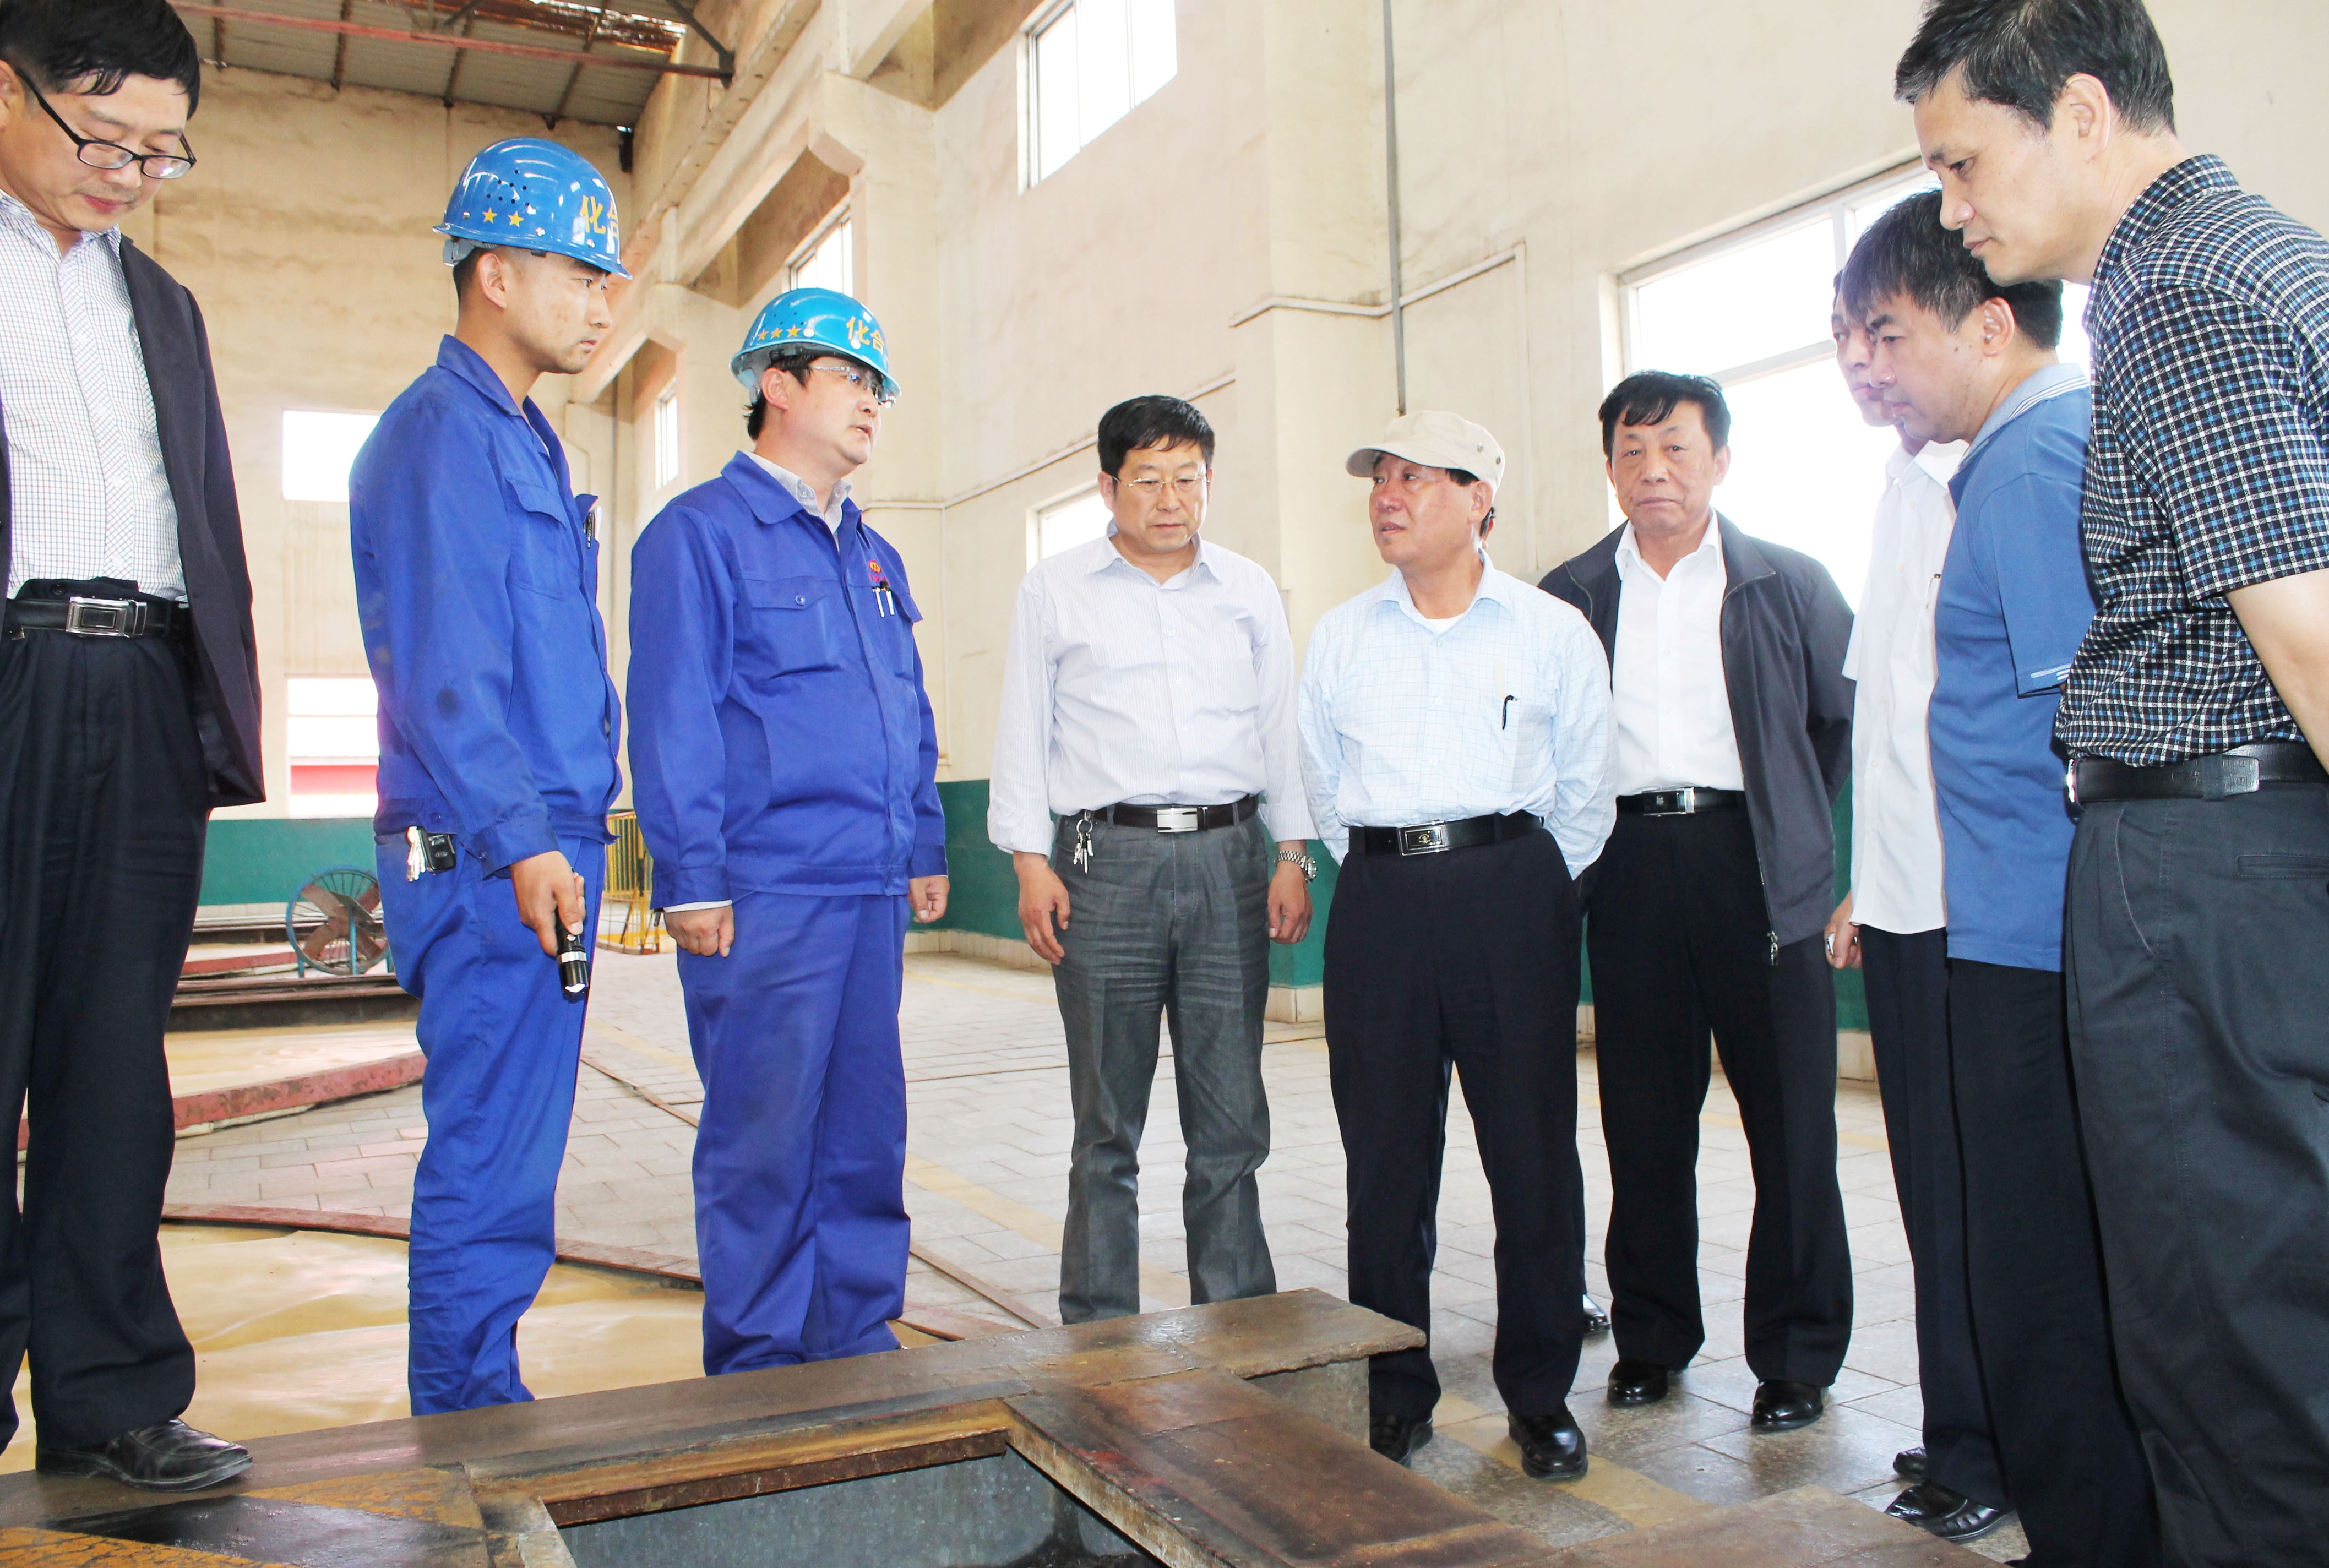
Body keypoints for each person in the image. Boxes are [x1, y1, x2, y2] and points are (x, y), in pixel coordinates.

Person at [1898, 4, 2329, 1560]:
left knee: (2230, 1349)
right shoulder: (2271, 255)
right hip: (2250, 855)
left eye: (1964, 162)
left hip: (2212, 872)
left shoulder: (2182, 294)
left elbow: (2308, 634)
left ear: (2080, 114)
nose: (1956, 211)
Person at [1849, 190, 2158, 1560]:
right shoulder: (2005, 462)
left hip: (2040, 944)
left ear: (1985, 327)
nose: (1870, 367)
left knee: (2045, 1279)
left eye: (1889, 335)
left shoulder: (2032, 466)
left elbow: (2091, 729)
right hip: (2015, 931)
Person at [0, 0, 259, 1491]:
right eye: (105, 139)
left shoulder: (164, 303)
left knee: (111, 1065)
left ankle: (111, 1399)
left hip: (144, 688)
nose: (132, 174)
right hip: (0, 680)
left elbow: (202, 507)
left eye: (162, 152)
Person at [351, 137, 625, 1414]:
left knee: (517, 1152)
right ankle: (463, 1426)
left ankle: (481, 1396)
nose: (600, 304)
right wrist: (523, 838)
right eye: (580, 273)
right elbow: (447, 672)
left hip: (539, 836)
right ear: (497, 275)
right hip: (490, 849)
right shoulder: (438, 438)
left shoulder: (526, 440)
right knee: (490, 1149)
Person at [627, 288, 947, 1373]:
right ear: (777, 384)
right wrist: (692, 877)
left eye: (879, 388)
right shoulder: (700, 536)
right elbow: (673, 713)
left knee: (864, 1127)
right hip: (766, 894)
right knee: (763, 1137)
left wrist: (924, 839)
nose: (872, 403)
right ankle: (760, 1361)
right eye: (852, 378)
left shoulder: (873, 554)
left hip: (867, 886)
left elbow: (907, 703)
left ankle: (853, 1330)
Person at [1300, 411, 1613, 1479]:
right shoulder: (1342, 636)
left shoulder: (1550, 632)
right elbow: (1324, 788)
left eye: (1415, 478)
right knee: (1385, 1164)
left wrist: (1529, 887)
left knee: (1532, 1154)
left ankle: (1541, 1396)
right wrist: (1394, 865)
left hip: (1511, 893)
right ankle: (1394, 1390)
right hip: (1381, 900)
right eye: (1379, 478)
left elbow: (1588, 790)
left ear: (1480, 498)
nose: (1387, 496)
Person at [1542, 373, 1853, 1434]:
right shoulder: (1573, 595)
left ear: (1720, 460)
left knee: (1792, 1121)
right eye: (1632, 452)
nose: (1654, 471)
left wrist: (1791, 834)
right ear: (1609, 469)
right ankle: (1653, 1335)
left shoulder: (1788, 583)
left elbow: (1835, 724)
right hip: (1628, 864)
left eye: (1676, 448)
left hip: (1753, 863)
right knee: (1643, 1117)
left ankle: (1797, 1355)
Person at [988, 395, 1312, 1326]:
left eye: (1188, 479)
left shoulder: (1247, 588)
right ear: (1108, 487)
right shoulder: (1055, 590)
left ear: (1208, 483)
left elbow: (1279, 725)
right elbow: (1024, 727)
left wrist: (1293, 853)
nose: (1171, 500)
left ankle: (1238, 1321)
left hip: (1230, 861)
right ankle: (1099, 1329)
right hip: (1106, 866)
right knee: (1106, 1125)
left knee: (1231, 1118)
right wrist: (1029, 861)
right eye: (1148, 481)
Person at [1820, 285, 2003, 1529]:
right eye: (1846, 341)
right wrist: (1864, 879)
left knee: (1989, 1196)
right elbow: (1890, 724)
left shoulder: (2000, 476)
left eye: (1882, 336)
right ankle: (1958, 1432)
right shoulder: (1900, 485)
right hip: (1902, 904)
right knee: (1933, 1193)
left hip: (1975, 915)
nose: (1861, 364)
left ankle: (1993, 1453)